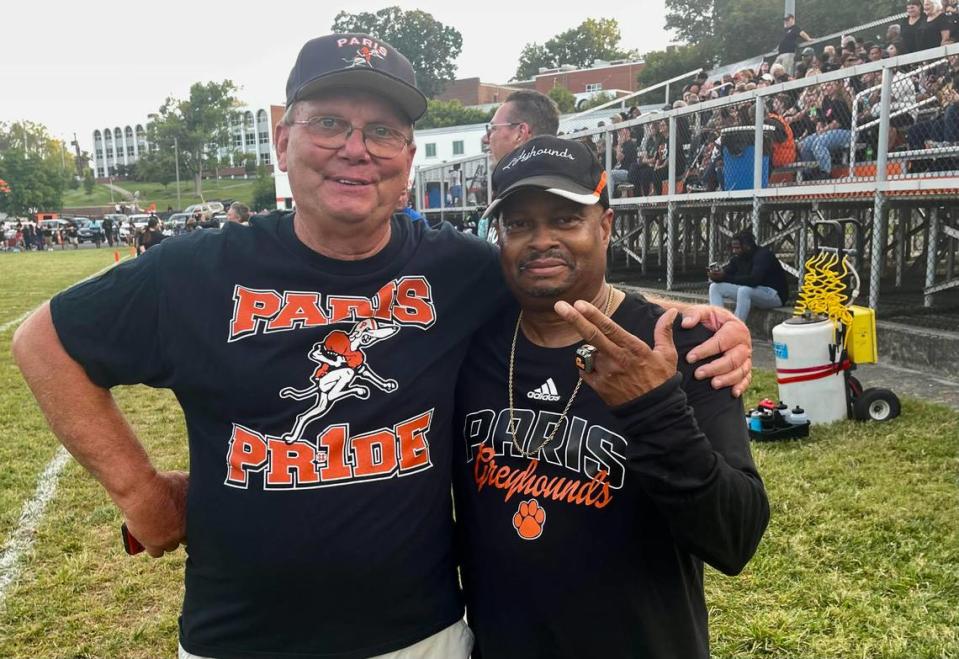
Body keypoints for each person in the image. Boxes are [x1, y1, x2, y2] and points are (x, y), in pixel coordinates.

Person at [12, 33, 753, 659]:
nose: (355, 150)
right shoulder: (196, 269)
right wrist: (142, 495)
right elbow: (44, 341)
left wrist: (702, 320)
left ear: (406, 152)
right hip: (238, 636)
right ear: (283, 138)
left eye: (383, 132)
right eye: (328, 123)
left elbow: (562, 274)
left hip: (418, 636)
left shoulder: (459, 271)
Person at [454, 137, 769, 658]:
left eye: (564, 219)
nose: (540, 240)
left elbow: (735, 540)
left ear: (605, 225)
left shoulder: (679, 346)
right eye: (519, 224)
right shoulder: (472, 344)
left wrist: (654, 408)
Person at [708, 230, 789, 322]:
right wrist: (716, 277)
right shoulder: (737, 259)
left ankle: (735, 328)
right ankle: (718, 323)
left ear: (747, 246)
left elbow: (754, 280)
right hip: (754, 292)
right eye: (733, 248)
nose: (734, 251)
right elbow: (727, 274)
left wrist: (725, 277)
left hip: (774, 295)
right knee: (715, 287)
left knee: (744, 290)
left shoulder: (763, 255)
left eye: (737, 248)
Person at [482, 89, 559, 165]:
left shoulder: (521, 177)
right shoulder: (566, 172)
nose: (485, 139)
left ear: (520, 134)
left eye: (493, 128)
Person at [797, 80, 853, 179]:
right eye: (825, 85)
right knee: (804, 145)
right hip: (829, 131)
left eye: (829, 85)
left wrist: (824, 130)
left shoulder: (841, 101)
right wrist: (819, 123)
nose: (825, 88)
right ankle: (809, 173)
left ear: (837, 86)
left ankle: (825, 172)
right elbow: (822, 118)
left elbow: (837, 123)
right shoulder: (826, 101)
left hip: (846, 132)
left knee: (819, 143)